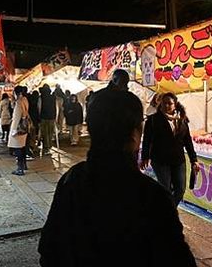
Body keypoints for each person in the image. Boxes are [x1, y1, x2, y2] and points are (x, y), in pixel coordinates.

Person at [38, 90, 196, 266]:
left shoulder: (72, 181)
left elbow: (49, 250)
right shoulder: (154, 197)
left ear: (90, 128)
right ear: (136, 135)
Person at [140, 92, 199, 206]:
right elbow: (147, 140)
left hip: (178, 159)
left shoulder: (182, 120)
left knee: (180, 189)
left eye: (170, 103)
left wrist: (193, 159)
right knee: (165, 188)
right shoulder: (153, 120)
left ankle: (167, 210)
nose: (167, 106)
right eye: (164, 103)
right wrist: (145, 157)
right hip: (160, 159)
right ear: (160, 105)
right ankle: (167, 214)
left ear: (175, 104)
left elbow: (187, 141)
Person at [8, 86, 30, 175]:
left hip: (18, 128)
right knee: (23, 147)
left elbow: (17, 116)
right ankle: (24, 165)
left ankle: (20, 168)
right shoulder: (25, 100)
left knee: (18, 148)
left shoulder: (19, 102)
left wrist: (14, 130)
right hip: (24, 126)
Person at [38, 84, 57, 156]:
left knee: (45, 133)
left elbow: (39, 107)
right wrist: (55, 117)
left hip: (43, 117)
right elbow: (55, 107)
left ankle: (46, 147)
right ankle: (49, 147)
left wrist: (39, 116)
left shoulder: (41, 97)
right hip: (51, 117)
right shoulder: (53, 97)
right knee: (50, 133)